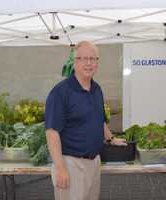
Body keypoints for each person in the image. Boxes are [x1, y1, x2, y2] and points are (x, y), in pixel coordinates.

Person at [45, 41, 127, 200]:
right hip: (71, 164)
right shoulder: (60, 92)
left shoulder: (96, 89)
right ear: (74, 62)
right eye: (83, 58)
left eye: (93, 59)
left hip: (94, 162)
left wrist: (111, 138)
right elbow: (51, 132)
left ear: (97, 62)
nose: (89, 63)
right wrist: (61, 168)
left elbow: (98, 119)